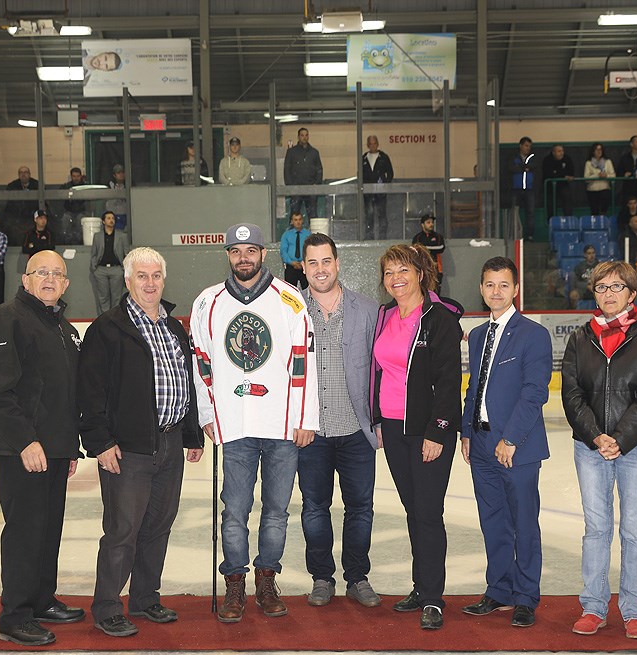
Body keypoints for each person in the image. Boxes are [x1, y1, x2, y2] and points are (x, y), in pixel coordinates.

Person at [189, 223, 319, 624]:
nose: (243, 257)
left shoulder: (291, 299)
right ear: (228, 255)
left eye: (251, 250)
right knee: (235, 511)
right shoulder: (207, 303)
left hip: (282, 427)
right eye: (235, 251)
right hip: (237, 427)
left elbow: (304, 362)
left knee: (277, 511)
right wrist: (209, 415)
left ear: (264, 253)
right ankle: (235, 584)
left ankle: (266, 579)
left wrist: (304, 418)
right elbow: (202, 363)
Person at [78, 246, 204, 637]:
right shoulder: (108, 328)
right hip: (128, 448)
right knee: (123, 528)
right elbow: (89, 391)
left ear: (163, 280)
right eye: (142, 276)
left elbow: (188, 384)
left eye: (156, 276)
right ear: (128, 281)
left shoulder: (173, 327)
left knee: (159, 524)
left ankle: (146, 597)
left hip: (168, 442)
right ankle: (107, 606)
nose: (150, 283)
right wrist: (99, 442)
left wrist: (191, 433)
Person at [0, 249, 84, 647]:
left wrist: (68, 446)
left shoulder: (62, 327)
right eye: (42, 272)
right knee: (24, 531)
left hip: (53, 448)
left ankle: (40, 599)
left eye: (58, 273)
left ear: (67, 283)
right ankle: (15, 615)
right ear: (26, 279)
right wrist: (25, 441)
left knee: (48, 528)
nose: (50, 279)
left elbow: (65, 394)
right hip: (21, 449)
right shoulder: (10, 317)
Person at [561, 260, 637, 640]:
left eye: (616, 287)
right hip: (591, 448)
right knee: (596, 530)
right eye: (601, 287)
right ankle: (593, 608)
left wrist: (621, 438)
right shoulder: (580, 338)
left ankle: (634, 610)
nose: (608, 294)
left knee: (636, 531)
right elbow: (572, 395)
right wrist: (596, 437)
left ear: (632, 293)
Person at [372, 244, 463, 631]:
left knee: (428, 512)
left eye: (403, 270)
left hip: (428, 430)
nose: (396, 278)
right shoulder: (385, 315)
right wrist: (376, 419)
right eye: (389, 272)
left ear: (421, 273)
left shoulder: (440, 318)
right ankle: (419, 586)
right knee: (413, 510)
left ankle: (433, 598)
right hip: (393, 428)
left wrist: (437, 431)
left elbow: (448, 380)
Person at [460, 256, 550, 629]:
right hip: (480, 445)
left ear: (515, 289)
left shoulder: (534, 334)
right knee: (493, 521)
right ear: (481, 289)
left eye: (504, 285)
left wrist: (510, 438)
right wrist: (466, 432)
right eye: (490, 285)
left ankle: (526, 596)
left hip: (518, 447)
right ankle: (499, 589)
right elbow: (473, 388)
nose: (496, 292)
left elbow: (534, 393)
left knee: (524, 523)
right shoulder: (479, 335)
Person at [297, 232, 382, 608]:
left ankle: (357, 577)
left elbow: (381, 371)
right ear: (303, 267)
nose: (320, 269)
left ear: (337, 263)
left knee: (360, 508)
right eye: (312, 262)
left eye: (326, 261)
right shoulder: (291, 309)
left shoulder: (367, 309)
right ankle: (321, 577)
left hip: (356, 431)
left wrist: (379, 422)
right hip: (310, 433)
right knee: (315, 508)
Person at [89, 211, 132, 314]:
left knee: (117, 298)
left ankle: (115, 320)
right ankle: (105, 320)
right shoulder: (97, 236)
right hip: (101, 269)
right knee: (103, 298)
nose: (111, 220)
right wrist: (94, 268)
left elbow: (127, 254)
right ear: (103, 221)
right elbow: (94, 253)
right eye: (108, 218)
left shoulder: (122, 236)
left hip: (116, 269)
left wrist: (124, 269)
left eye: (112, 218)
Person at [284, 127, 323, 218]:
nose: (304, 137)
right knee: (294, 215)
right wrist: (290, 186)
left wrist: (317, 184)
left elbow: (319, 169)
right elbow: (287, 170)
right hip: (296, 189)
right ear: (298, 137)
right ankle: (293, 232)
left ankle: (314, 232)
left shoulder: (314, 152)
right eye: (302, 135)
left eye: (306, 135)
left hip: (311, 189)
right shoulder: (292, 152)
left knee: (313, 216)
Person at [362, 135, 394, 238]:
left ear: (377, 144)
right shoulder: (364, 158)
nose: (372, 146)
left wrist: (385, 185)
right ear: (367, 145)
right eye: (370, 144)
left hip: (380, 193)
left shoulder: (383, 157)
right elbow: (360, 175)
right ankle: (369, 238)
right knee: (369, 216)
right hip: (367, 193)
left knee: (382, 215)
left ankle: (382, 237)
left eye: (374, 143)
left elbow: (390, 173)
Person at [5, 166, 40, 245]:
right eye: (21, 173)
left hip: (32, 214)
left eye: (25, 172)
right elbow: (9, 205)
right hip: (16, 215)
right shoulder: (12, 186)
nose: (23, 174)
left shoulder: (37, 185)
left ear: (29, 174)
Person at [511, 137, 536, 238]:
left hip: (529, 190)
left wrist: (523, 168)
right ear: (520, 146)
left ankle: (529, 236)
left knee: (530, 212)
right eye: (526, 146)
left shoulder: (533, 157)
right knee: (514, 213)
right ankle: (514, 235)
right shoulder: (513, 157)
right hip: (515, 189)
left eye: (529, 146)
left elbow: (535, 167)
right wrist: (524, 168)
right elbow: (511, 168)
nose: (528, 148)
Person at [542, 144, 576, 219]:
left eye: (562, 151)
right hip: (550, 187)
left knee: (567, 201)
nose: (561, 153)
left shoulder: (567, 159)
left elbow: (571, 173)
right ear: (553, 152)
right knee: (551, 206)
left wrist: (557, 173)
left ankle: (568, 222)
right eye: (559, 151)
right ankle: (551, 224)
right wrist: (563, 175)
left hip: (563, 185)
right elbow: (548, 174)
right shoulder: (547, 160)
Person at [412, 213, 445, 287]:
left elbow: (441, 248)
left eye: (432, 222)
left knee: (436, 291)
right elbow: (414, 251)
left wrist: (424, 248)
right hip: (421, 268)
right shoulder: (417, 238)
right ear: (422, 224)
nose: (431, 224)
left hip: (436, 269)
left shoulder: (438, 237)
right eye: (428, 222)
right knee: (422, 290)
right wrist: (430, 248)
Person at [280, 211, 311, 289]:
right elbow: (283, 251)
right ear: (292, 221)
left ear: (302, 221)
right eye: (295, 220)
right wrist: (291, 262)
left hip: (305, 266)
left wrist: (303, 262)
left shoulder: (308, 235)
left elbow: (311, 251)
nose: (298, 222)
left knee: (307, 289)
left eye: (300, 219)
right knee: (290, 290)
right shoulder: (286, 235)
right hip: (291, 267)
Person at [583, 142, 615, 216]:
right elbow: (586, 178)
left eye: (600, 149)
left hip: (605, 189)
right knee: (594, 212)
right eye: (597, 149)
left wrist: (606, 175)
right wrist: (597, 175)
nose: (599, 151)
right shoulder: (588, 163)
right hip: (592, 190)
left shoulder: (608, 162)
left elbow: (613, 175)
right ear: (593, 151)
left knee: (604, 211)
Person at [59, 167, 87, 244]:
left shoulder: (85, 187)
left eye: (78, 176)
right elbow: (60, 194)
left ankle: (80, 241)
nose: (76, 178)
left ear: (81, 176)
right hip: (69, 211)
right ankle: (67, 242)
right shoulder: (66, 186)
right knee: (65, 218)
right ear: (71, 177)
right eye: (74, 176)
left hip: (82, 211)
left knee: (80, 219)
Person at [105, 165, 129, 230]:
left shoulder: (129, 184)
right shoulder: (109, 185)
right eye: (118, 173)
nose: (121, 175)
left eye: (122, 172)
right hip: (112, 214)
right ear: (114, 175)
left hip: (125, 215)